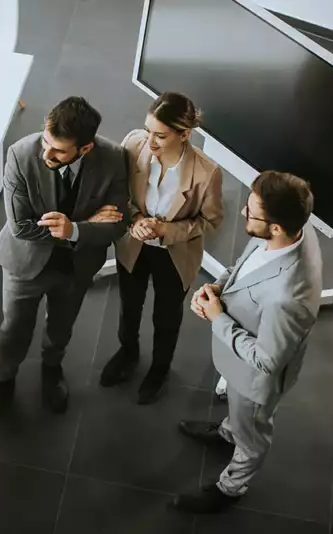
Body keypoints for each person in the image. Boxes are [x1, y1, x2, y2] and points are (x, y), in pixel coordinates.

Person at [174, 171, 322, 513]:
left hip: (254, 381)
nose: (242, 213)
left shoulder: (289, 297)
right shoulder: (291, 229)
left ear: (276, 228)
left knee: (252, 436)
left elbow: (268, 360)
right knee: (239, 421)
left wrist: (217, 317)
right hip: (239, 365)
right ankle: (228, 432)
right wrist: (218, 288)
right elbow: (244, 267)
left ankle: (231, 487)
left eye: (251, 212)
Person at [0, 96, 129, 425]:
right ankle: (4, 380)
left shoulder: (114, 158)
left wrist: (74, 229)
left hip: (76, 266)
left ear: (85, 149)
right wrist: (84, 226)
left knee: (62, 326)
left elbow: (118, 224)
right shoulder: (20, 154)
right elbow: (20, 227)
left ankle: (52, 369)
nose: (46, 153)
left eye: (59, 150)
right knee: (13, 329)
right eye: (46, 141)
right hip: (24, 263)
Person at [101, 92, 224, 404]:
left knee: (166, 317)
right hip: (135, 245)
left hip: (175, 253)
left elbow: (210, 221)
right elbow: (117, 193)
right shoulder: (133, 144)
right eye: (148, 130)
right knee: (129, 306)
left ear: (185, 134)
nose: (150, 142)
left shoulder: (207, 173)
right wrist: (136, 219)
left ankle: (159, 368)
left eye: (160, 135)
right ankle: (127, 353)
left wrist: (167, 229)